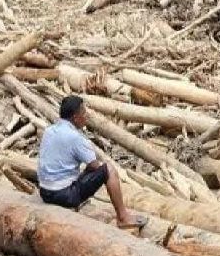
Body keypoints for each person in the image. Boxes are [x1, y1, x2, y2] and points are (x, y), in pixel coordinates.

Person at [37, 95, 146, 229]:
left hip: (45, 192)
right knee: (109, 170)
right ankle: (123, 217)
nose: (87, 116)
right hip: (64, 196)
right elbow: (94, 164)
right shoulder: (76, 138)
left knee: (89, 170)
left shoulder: (49, 130)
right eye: (84, 113)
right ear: (76, 118)